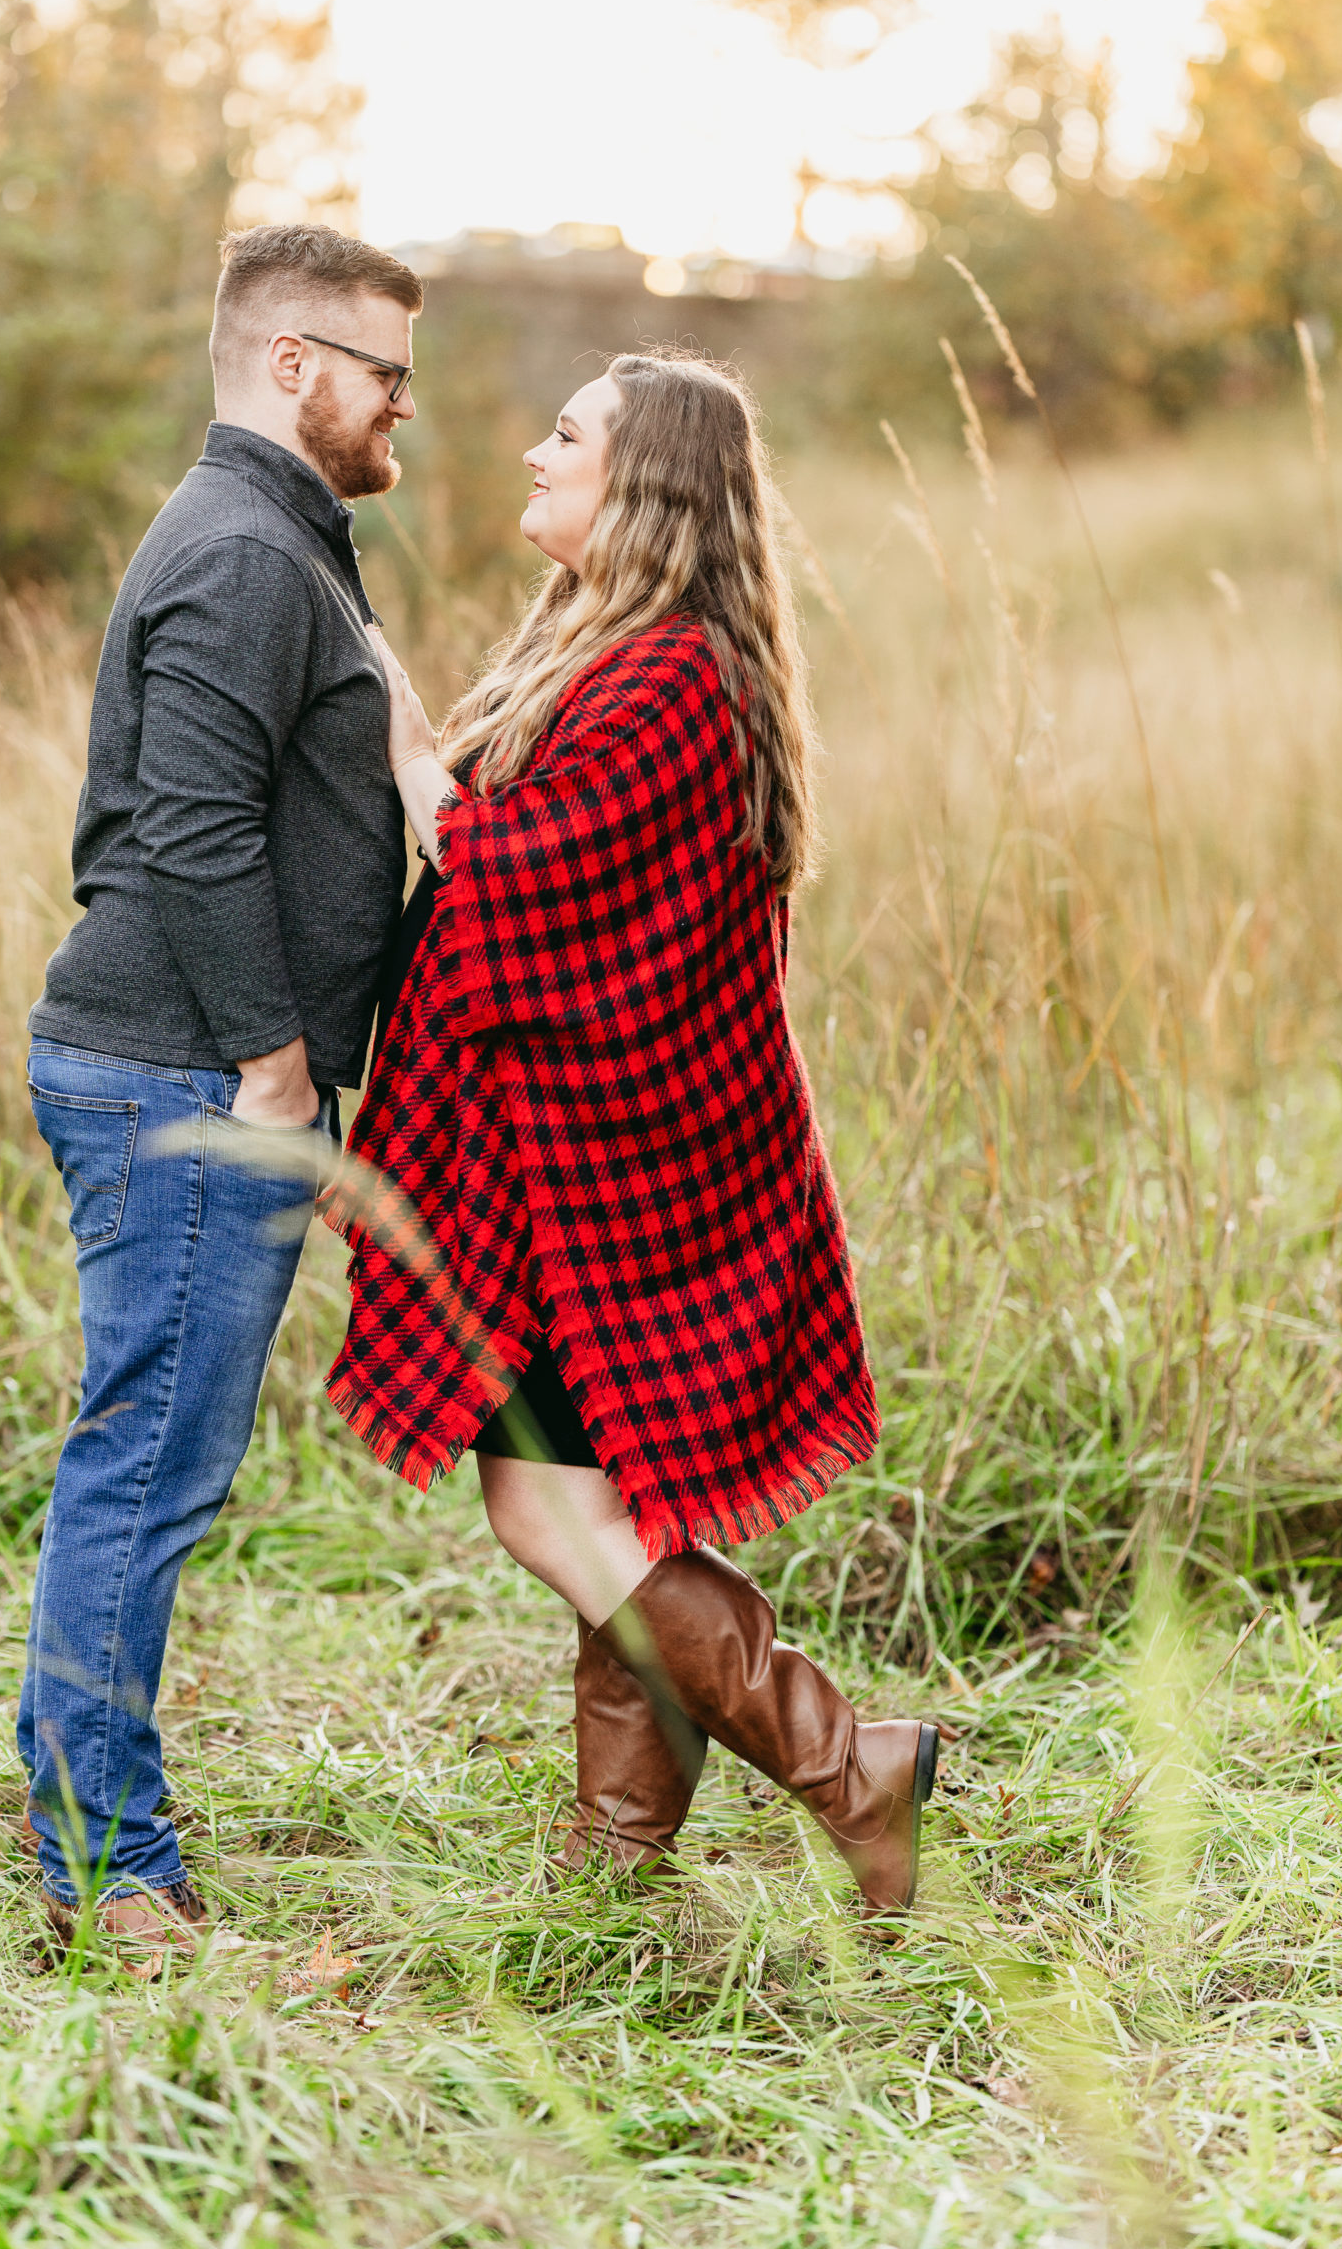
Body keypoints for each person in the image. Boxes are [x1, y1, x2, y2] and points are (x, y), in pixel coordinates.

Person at [323, 352, 937, 1916]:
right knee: (605, 1503)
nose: (533, 453)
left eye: (569, 436)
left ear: (646, 482)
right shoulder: (610, 646)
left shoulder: (668, 676)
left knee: (552, 1502)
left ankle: (847, 1764)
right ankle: (618, 1860)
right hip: (584, 1172)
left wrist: (410, 761)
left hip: (624, 1180)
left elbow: (525, 880)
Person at [20, 222, 423, 1971]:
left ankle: (83, 1809)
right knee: (147, 1473)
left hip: (180, 1063)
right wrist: (271, 1066)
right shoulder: (252, 555)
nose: (405, 401)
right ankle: (107, 1867)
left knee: (147, 1457)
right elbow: (186, 829)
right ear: (289, 365)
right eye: (384, 370)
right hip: (179, 1077)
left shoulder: (282, 547)